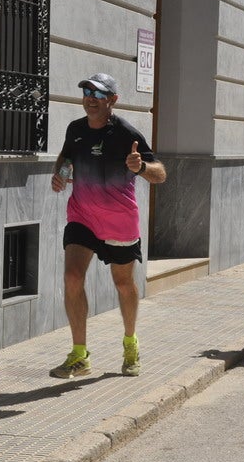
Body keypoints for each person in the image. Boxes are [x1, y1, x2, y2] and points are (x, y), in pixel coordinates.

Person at [49, 73, 166, 378]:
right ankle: (79, 355)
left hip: (118, 221)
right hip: (82, 216)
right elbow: (66, 157)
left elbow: (160, 174)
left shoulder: (126, 133)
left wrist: (140, 167)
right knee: (72, 277)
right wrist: (60, 174)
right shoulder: (75, 129)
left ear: (112, 100)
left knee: (123, 284)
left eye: (98, 94)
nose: (90, 97)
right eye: (86, 91)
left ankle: (130, 344)